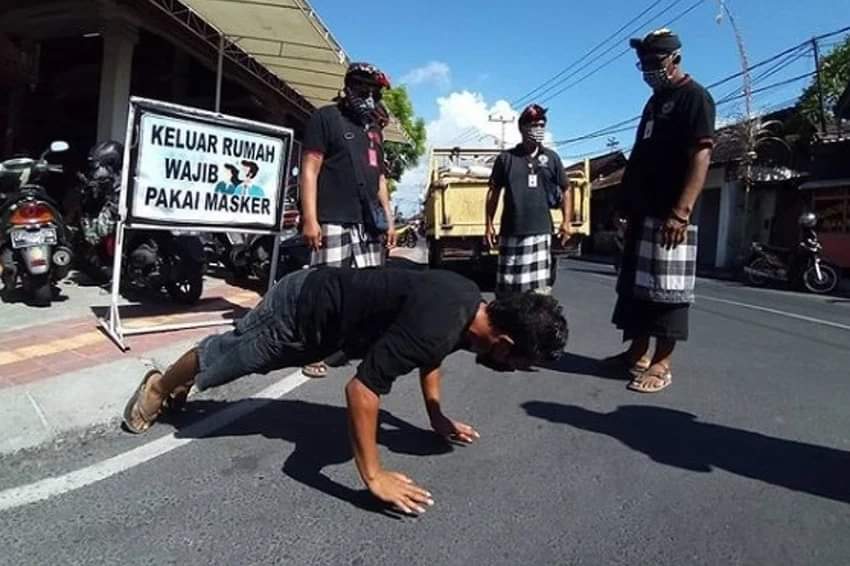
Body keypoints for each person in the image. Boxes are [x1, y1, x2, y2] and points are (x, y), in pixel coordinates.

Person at [122, 267, 568, 514]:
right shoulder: (441, 325)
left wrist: (436, 416)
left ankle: (175, 386)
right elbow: (362, 391)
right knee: (229, 358)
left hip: (327, 327)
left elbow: (431, 357)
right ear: (505, 344)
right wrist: (373, 477)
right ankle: (159, 387)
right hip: (300, 309)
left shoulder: (468, 304)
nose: (511, 371)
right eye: (518, 364)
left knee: (238, 359)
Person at [607, 29, 715, 393]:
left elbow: (701, 154)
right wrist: (624, 203)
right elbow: (638, 156)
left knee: (667, 291)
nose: (649, 71)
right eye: (644, 65)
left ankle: (661, 363)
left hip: (671, 214)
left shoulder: (695, 98)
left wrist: (681, 212)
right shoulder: (654, 103)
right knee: (635, 289)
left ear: (675, 59)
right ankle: (636, 353)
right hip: (641, 210)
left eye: (655, 63)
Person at [299, 62, 396, 378]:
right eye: (362, 90)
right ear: (348, 87)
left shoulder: (374, 130)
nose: (368, 97)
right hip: (333, 219)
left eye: (374, 93)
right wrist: (310, 220)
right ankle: (315, 349)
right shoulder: (325, 118)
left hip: (368, 223)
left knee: (368, 288)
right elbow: (310, 169)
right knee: (326, 289)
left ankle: (351, 345)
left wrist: (390, 220)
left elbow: (380, 179)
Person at [485, 104, 572, 297]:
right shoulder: (506, 159)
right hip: (511, 232)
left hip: (541, 233)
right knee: (508, 290)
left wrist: (566, 222)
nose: (538, 129)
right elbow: (493, 192)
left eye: (542, 125)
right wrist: (489, 224)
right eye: (533, 125)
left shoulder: (551, 158)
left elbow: (566, 189)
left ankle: (535, 327)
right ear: (522, 127)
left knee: (538, 294)